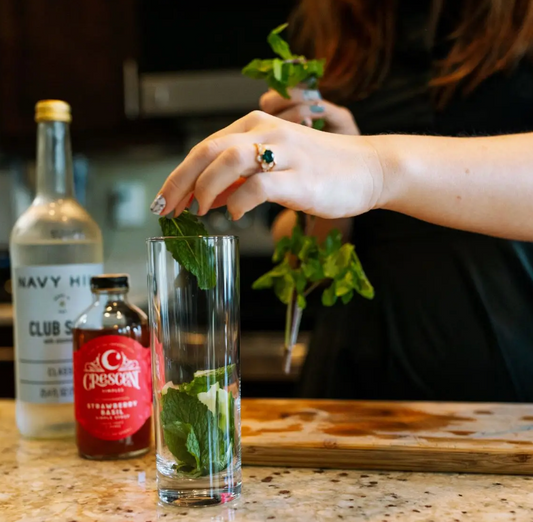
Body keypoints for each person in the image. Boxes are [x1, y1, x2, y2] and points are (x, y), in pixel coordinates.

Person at [152, 0, 533, 403]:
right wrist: (318, 197)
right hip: (354, 386)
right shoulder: (329, 16)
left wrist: (372, 168)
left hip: (510, 381)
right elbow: (308, 253)